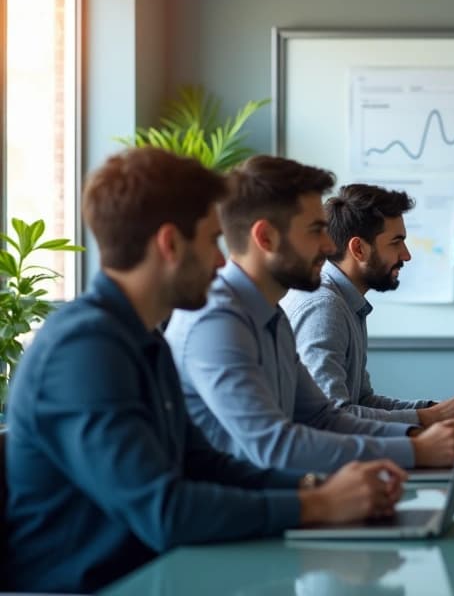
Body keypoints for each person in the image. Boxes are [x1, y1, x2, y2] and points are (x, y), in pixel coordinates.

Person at [2, 149, 404, 593]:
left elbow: (204, 465)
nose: (220, 262)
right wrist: (316, 506)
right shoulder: (84, 349)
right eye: (212, 241)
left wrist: (321, 489)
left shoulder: (140, 335)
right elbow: (166, 511)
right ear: (170, 244)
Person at [165, 155, 454, 473]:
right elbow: (273, 445)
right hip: (247, 512)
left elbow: (323, 418)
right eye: (315, 231)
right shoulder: (216, 322)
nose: (327, 245)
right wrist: (416, 449)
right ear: (265, 238)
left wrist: (417, 438)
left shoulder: (273, 314)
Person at [282, 183, 454, 425]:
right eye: (396, 242)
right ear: (359, 249)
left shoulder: (347, 303)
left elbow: (361, 401)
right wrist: (426, 418)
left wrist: (436, 411)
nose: (406, 255)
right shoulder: (324, 308)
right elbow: (331, 417)